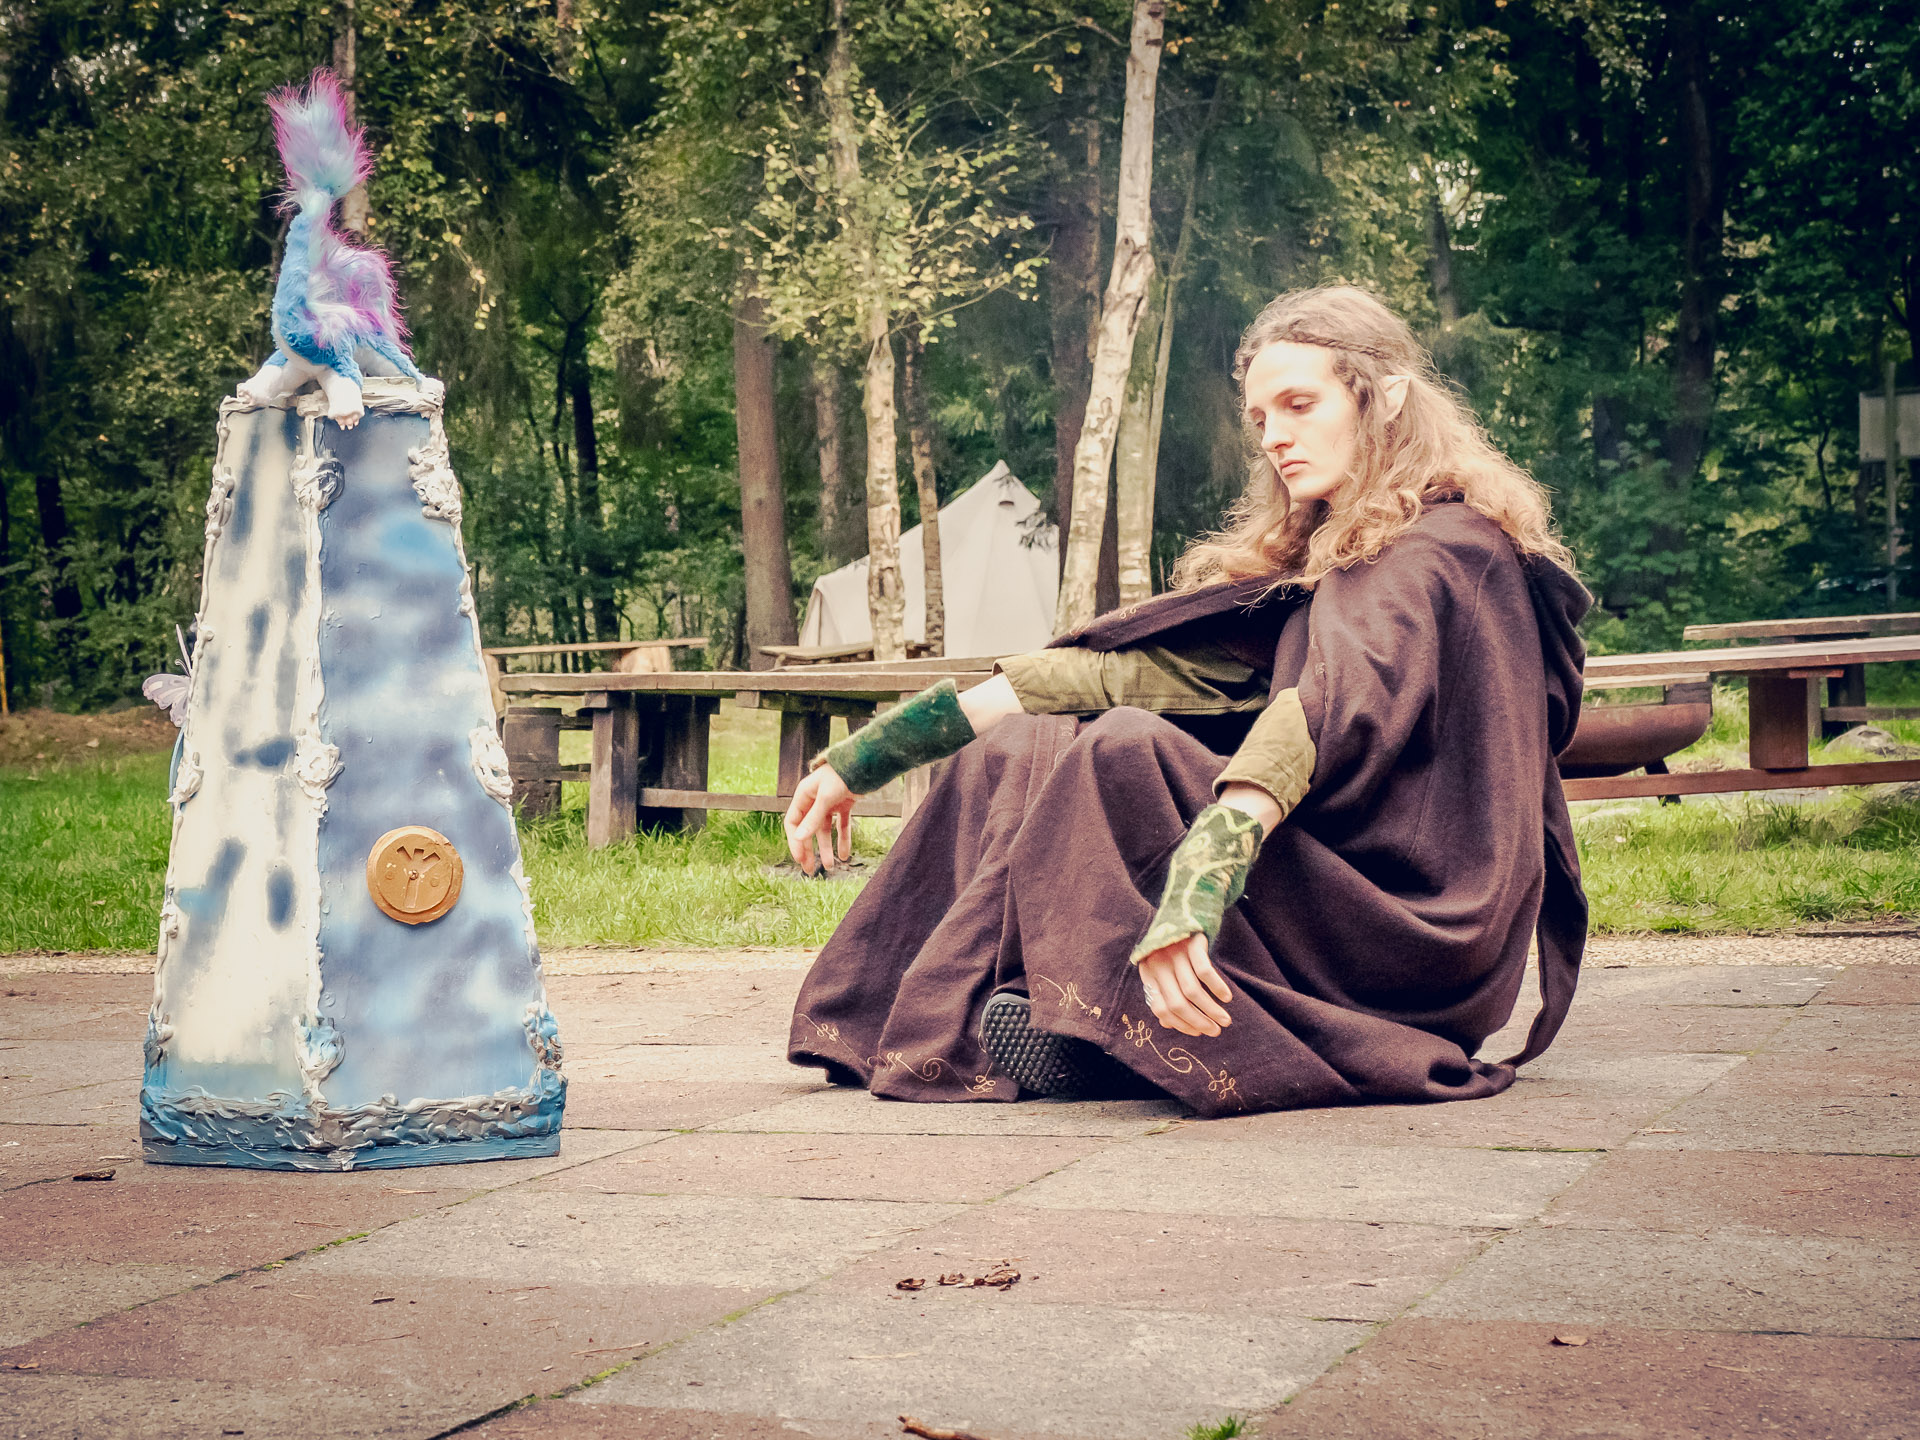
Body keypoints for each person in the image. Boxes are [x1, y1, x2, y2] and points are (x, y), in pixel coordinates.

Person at [781, 285, 1591, 1116]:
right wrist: (866, 758)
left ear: (1384, 397)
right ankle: (1015, 1017)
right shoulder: (1341, 555)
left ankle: (1092, 1023)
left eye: (1300, 405)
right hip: (1332, 898)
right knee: (1024, 746)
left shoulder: (1436, 553)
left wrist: (1197, 892)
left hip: (1407, 937)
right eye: (1260, 418)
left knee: (1124, 752)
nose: (1274, 437)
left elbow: (1320, 716)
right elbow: (1126, 674)